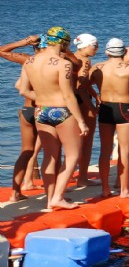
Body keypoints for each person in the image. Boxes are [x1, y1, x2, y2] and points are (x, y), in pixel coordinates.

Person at [17, 27, 89, 210]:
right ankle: (58, 197)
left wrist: (42, 97)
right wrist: (81, 121)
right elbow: (68, 96)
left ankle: (50, 200)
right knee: (73, 155)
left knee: (49, 157)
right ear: (64, 43)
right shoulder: (62, 64)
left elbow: (23, 90)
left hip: (41, 111)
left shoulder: (30, 62)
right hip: (62, 111)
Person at [90, 38, 129, 198]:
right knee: (124, 150)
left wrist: (95, 98)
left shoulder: (97, 68)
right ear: (124, 52)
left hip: (105, 107)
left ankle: (105, 189)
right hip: (124, 108)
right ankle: (124, 190)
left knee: (105, 151)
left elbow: (83, 86)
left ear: (107, 52)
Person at [1, 34, 45, 202]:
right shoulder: (57, 61)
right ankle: (54, 193)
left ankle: (15, 192)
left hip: (28, 109)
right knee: (52, 152)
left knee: (26, 152)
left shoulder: (28, 60)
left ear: (35, 47)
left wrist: (24, 42)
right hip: (45, 108)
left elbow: (2, 51)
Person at [72, 33, 100, 187]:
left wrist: (95, 95)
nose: (97, 49)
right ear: (86, 46)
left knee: (70, 142)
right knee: (86, 142)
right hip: (81, 101)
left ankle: (65, 176)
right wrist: (93, 108)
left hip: (70, 101)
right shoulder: (85, 61)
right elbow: (81, 87)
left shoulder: (70, 58)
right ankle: (82, 178)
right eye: (95, 45)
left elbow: (82, 84)